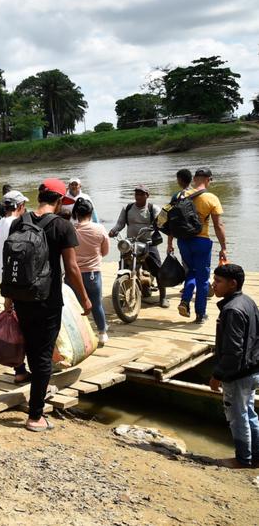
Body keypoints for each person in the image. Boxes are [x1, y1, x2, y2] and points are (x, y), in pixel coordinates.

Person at [9, 179, 91, 432]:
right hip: (47, 300)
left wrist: (8, 298)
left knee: (34, 349)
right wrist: (85, 298)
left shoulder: (18, 222)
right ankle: (35, 416)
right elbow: (72, 267)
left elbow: (12, 262)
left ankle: (36, 392)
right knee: (43, 355)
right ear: (57, 201)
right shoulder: (62, 225)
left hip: (21, 297)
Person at [209, 263, 259, 469]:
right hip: (252, 368)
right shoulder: (247, 301)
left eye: (218, 281)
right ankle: (256, 456)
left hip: (237, 373)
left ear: (232, 284)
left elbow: (233, 351)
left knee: (238, 417)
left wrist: (217, 375)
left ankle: (242, 459)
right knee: (249, 413)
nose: (214, 285)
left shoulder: (232, 310)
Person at [166, 167, 228, 324]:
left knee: (191, 272)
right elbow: (218, 225)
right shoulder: (212, 198)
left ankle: (185, 301)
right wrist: (223, 247)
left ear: (194, 179)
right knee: (203, 278)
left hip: (183, 241)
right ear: (209, 180)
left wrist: (169, 243)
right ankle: (200, 314)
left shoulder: (179, 195)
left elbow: (172, 221)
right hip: (201, 242)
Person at [109, 184, 168, 308]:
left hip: (148, 243)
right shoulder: (128, 208)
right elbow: (120, 224)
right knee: (123, 268)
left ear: (147, 195)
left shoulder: (153, 208)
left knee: (159, 270)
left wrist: (161, 223)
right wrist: (114, 230)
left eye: (141, 194)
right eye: (137, 194)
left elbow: (162, 223)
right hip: (131, 243)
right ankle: (120, 293)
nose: (138, 196)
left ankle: (163, 297)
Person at [0, 190, 32, 383]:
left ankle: (20, 369)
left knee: (15, 326)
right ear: (19, 207)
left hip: (5, 281)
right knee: (26, 325)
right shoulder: (18, 224)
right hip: (18, 281)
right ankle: (31, 368)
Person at [73, 198, 111, 345]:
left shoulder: (71, 230)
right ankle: (102, 333)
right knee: (96, 304)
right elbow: (105, 251)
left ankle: (79, 337)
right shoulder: (99, 229)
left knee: (76, 306)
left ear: (76, 213)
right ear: (91, 212)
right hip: (93, 273)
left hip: (73, 274)